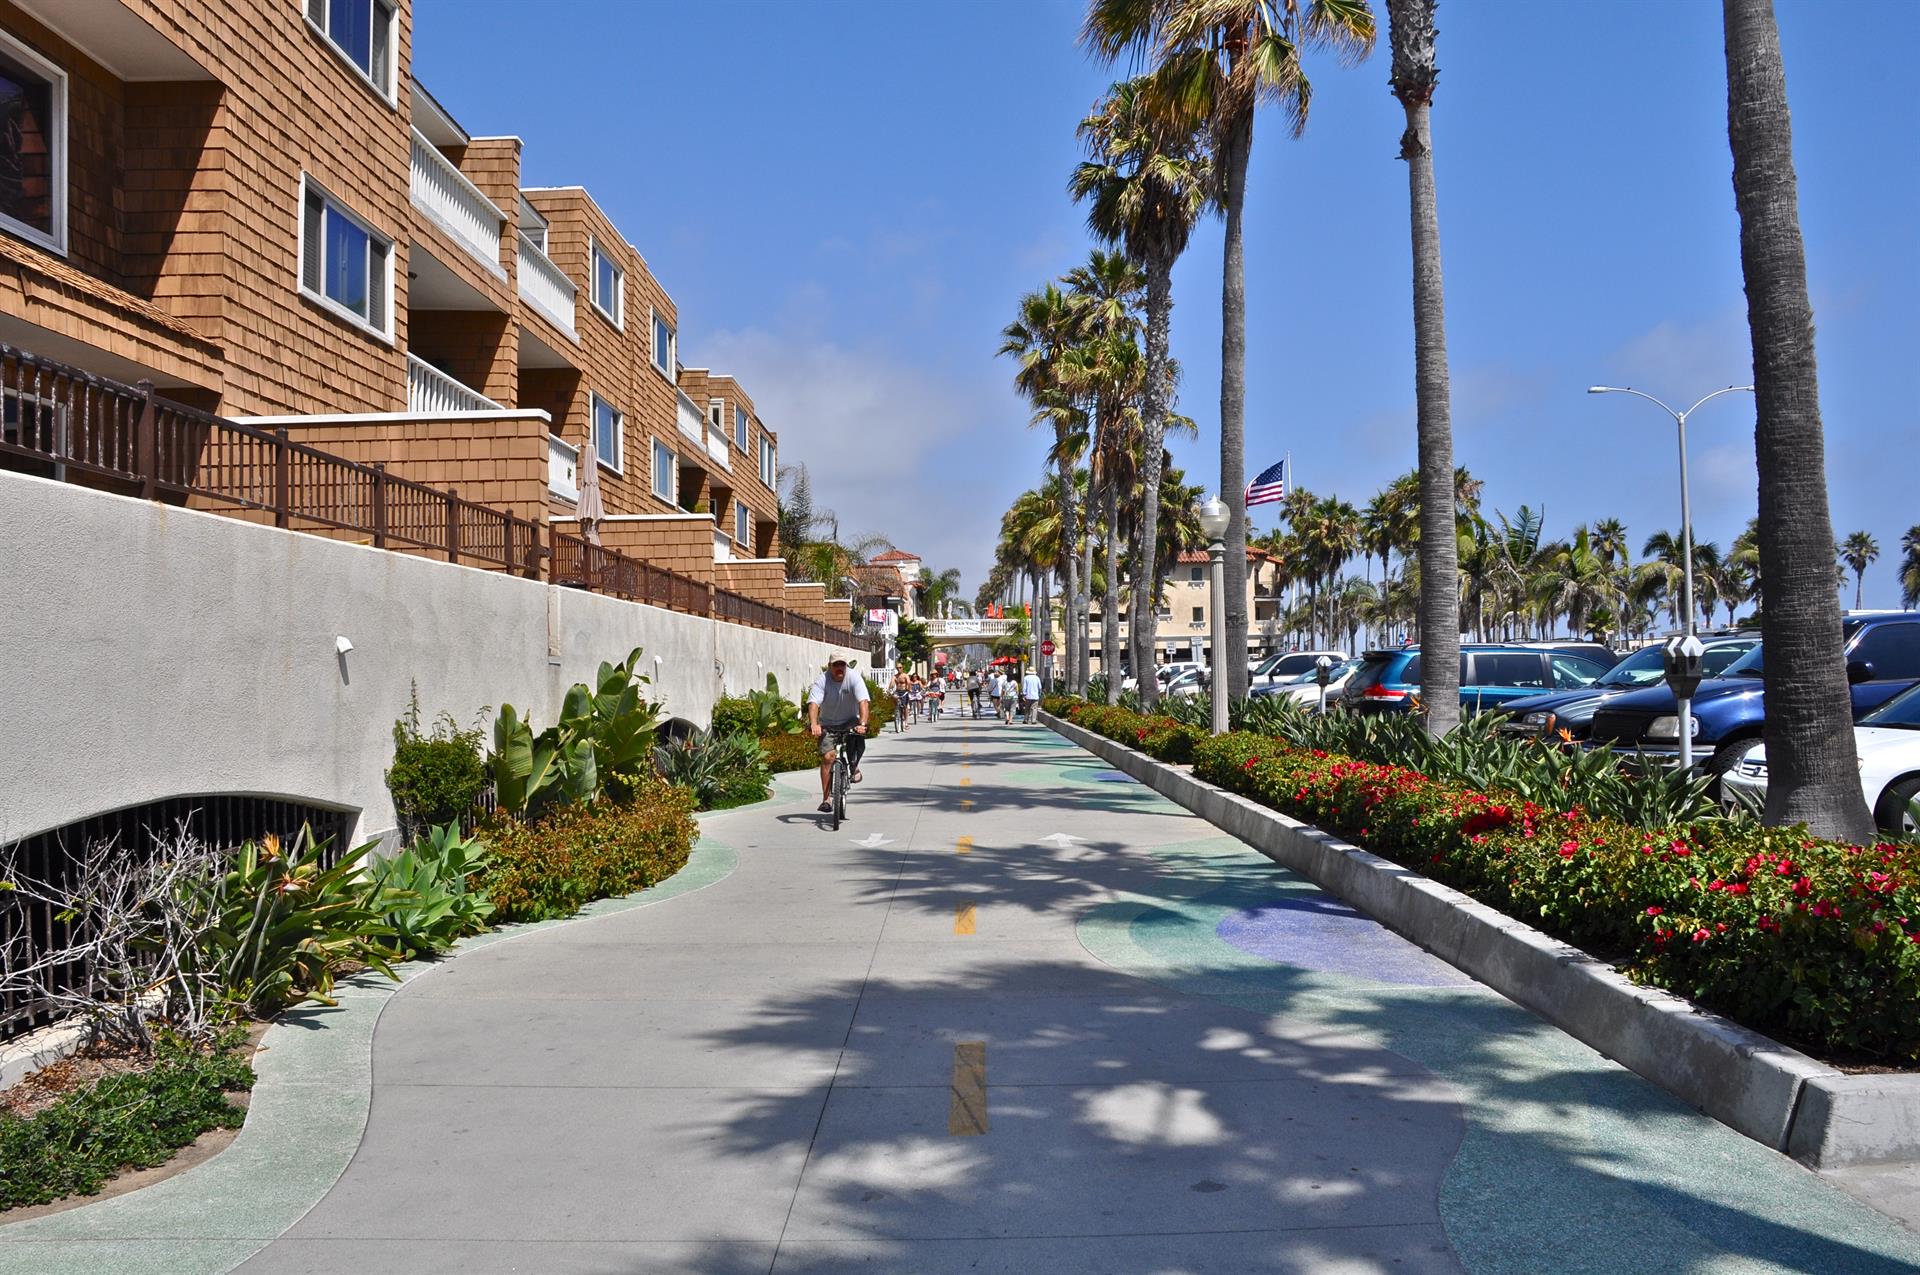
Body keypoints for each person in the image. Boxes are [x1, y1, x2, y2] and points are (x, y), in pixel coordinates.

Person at [809, 658, 871, 814]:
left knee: (857, 741)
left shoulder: (854, 678)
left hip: (850, 721)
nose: (839, 668)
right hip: (828, 723)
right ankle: (826, 799)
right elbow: (813, 703)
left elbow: (863, 702)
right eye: (835, 665)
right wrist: (814, 724)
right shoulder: (822, 680)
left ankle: (854, 765)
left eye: (842, 664)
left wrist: (862, 724)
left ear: (846, 666)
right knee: (828, 757)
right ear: (830, 666)